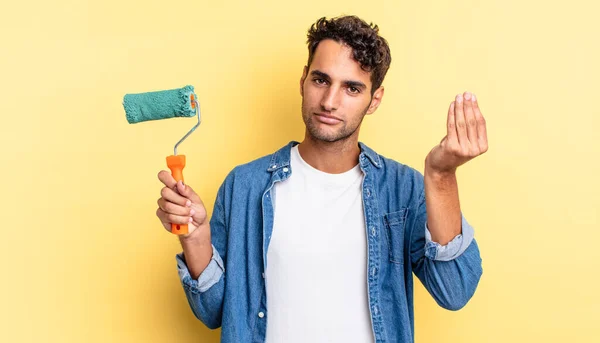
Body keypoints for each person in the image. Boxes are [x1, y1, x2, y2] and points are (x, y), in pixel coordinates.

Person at [156, 15, 486, 343]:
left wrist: (441, 177)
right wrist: (196, 238)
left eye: (352, 88)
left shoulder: (402, 189)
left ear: (375, 99)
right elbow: (214, 313)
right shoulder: (245, 185)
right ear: (303, 80)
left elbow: (454, 291)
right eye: (321, 80)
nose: (329, 102)